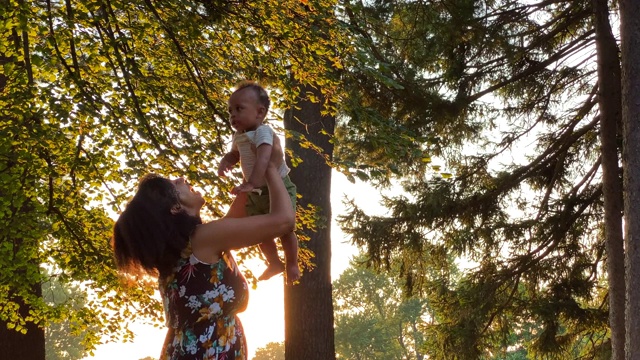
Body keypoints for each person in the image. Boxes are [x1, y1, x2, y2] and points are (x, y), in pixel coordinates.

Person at [111, 164, 295, 360]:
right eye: (173, 185)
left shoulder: (184, 249)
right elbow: (284, 221)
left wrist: (251, 174)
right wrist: (272, 169)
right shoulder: (203, 238)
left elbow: (237, 215)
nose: (181, 179)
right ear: (175, 207)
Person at [217, 81, 300, 284]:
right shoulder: (239, 135)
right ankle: (274, 262)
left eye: (239, 109)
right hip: (256, 192)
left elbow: (264, 158)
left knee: (286, 229)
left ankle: (291, 263)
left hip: (277, 188)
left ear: (259, 112)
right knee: (262, 232)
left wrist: (251, 183)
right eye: (230, 112)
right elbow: (235, 154)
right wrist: (226, 161)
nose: (233, 115)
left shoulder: (264, 132)